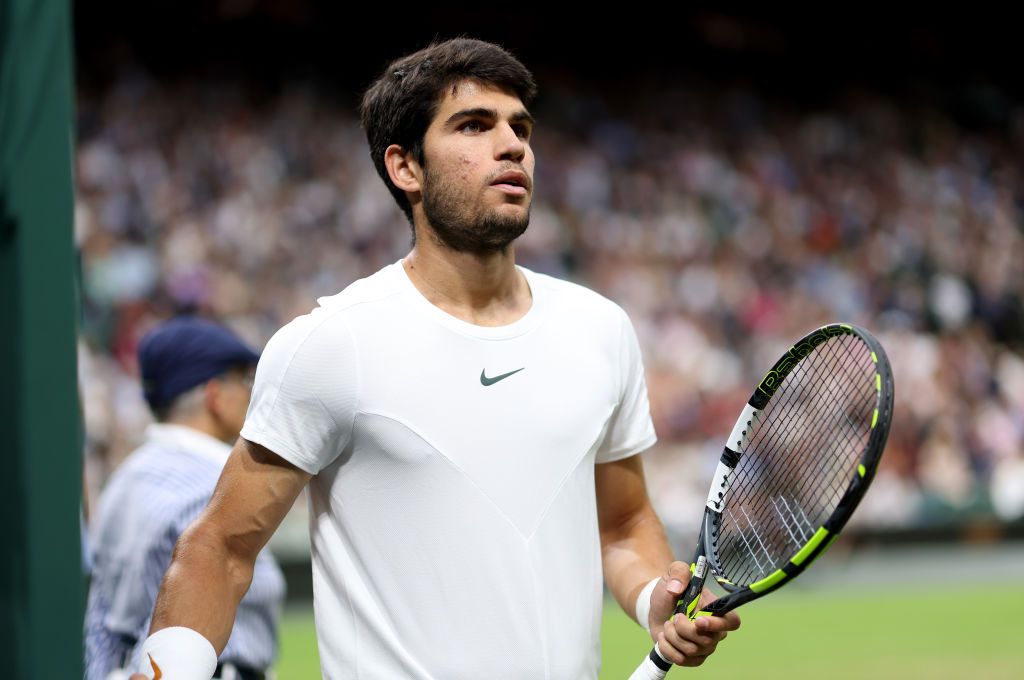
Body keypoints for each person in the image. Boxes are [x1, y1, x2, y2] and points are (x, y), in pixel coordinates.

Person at [131, 38, 740, 680]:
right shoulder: (335, 343)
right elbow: (221, 548)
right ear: (406, 168)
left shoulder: (600, 328)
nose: (512, 146)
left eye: (520, 127)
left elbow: (623, 524)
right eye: (474, 125)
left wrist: (654, 600)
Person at [86, 316, 285, 680]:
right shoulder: (213, 482)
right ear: (213, 395)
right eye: (242, 379)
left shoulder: (123, 479)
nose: (249, 392)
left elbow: (105, 621)